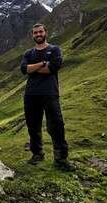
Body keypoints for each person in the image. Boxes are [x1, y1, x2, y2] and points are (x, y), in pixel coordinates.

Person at [20, 23, 75, 171]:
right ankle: (37, 154)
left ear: (46, 32)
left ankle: (60, 159)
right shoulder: (28, 53)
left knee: (56, 125)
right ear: (32, 35)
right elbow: (24, 69)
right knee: (33, 126)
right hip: (31, 94)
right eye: (35, 33)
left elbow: (53, 68)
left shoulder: (55, 49)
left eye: (40, 32)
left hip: (50, 92)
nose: (38, 34)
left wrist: (35, 68)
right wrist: (43, 63)